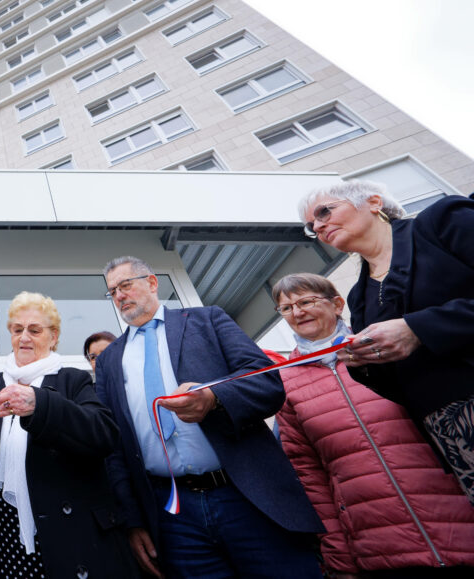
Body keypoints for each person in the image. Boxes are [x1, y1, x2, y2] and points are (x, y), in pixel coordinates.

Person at [95, 255, 323, 578]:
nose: (119, 296)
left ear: (152, 283)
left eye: (125, 285)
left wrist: (214, 398)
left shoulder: (207, 320)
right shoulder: (109, 361)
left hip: (245, 496)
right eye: (112, 291)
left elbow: (266, 381)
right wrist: (133, 521)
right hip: (173, 516)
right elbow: (113, 445)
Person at [271, 272, 474, 576]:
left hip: (458, 520)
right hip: (379, 546)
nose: (297, 313)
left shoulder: (388, 347)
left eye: (306, 301)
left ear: (337, 304)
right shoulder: (284, 386)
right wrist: (338, 554)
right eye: (286, 308)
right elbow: (309, 477)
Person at [299, 180, 474, 502]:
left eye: (325, 212)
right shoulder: (358, 298)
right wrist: (363, 362)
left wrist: (419, 328)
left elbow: (415, 333)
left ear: (374, 202)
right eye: (312, 226)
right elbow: (399, 382)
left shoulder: (443, 221)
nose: (319, 226)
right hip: (453, 435)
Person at [0, 292, 136, 579]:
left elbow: (104, 433)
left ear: (54, 337)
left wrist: (40, 405)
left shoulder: (73, 379)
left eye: (35, 330)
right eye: (17, 330)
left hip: (63, 531)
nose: (24, 338)